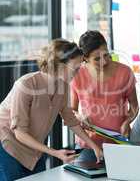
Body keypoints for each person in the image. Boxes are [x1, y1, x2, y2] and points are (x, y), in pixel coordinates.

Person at [0, 39, 102, 181]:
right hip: (8, 144)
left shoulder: (63, 86)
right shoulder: (25, 85)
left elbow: (71, 120)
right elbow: (19, 133)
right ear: (59, 65)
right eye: (76, 68)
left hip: (35, 147)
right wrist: (54, 153)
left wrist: (94, 147)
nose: (78, 73)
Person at [71, 30, 139, 162]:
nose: (104, 61)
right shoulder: (77, 74)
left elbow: (135, 106)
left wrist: (127, 121)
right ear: (85, 58)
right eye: (97, 59)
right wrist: (81, 117)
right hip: (88, 144)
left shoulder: (125, 72)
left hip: (118, 142)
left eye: (106, 55)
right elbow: (71, 110)